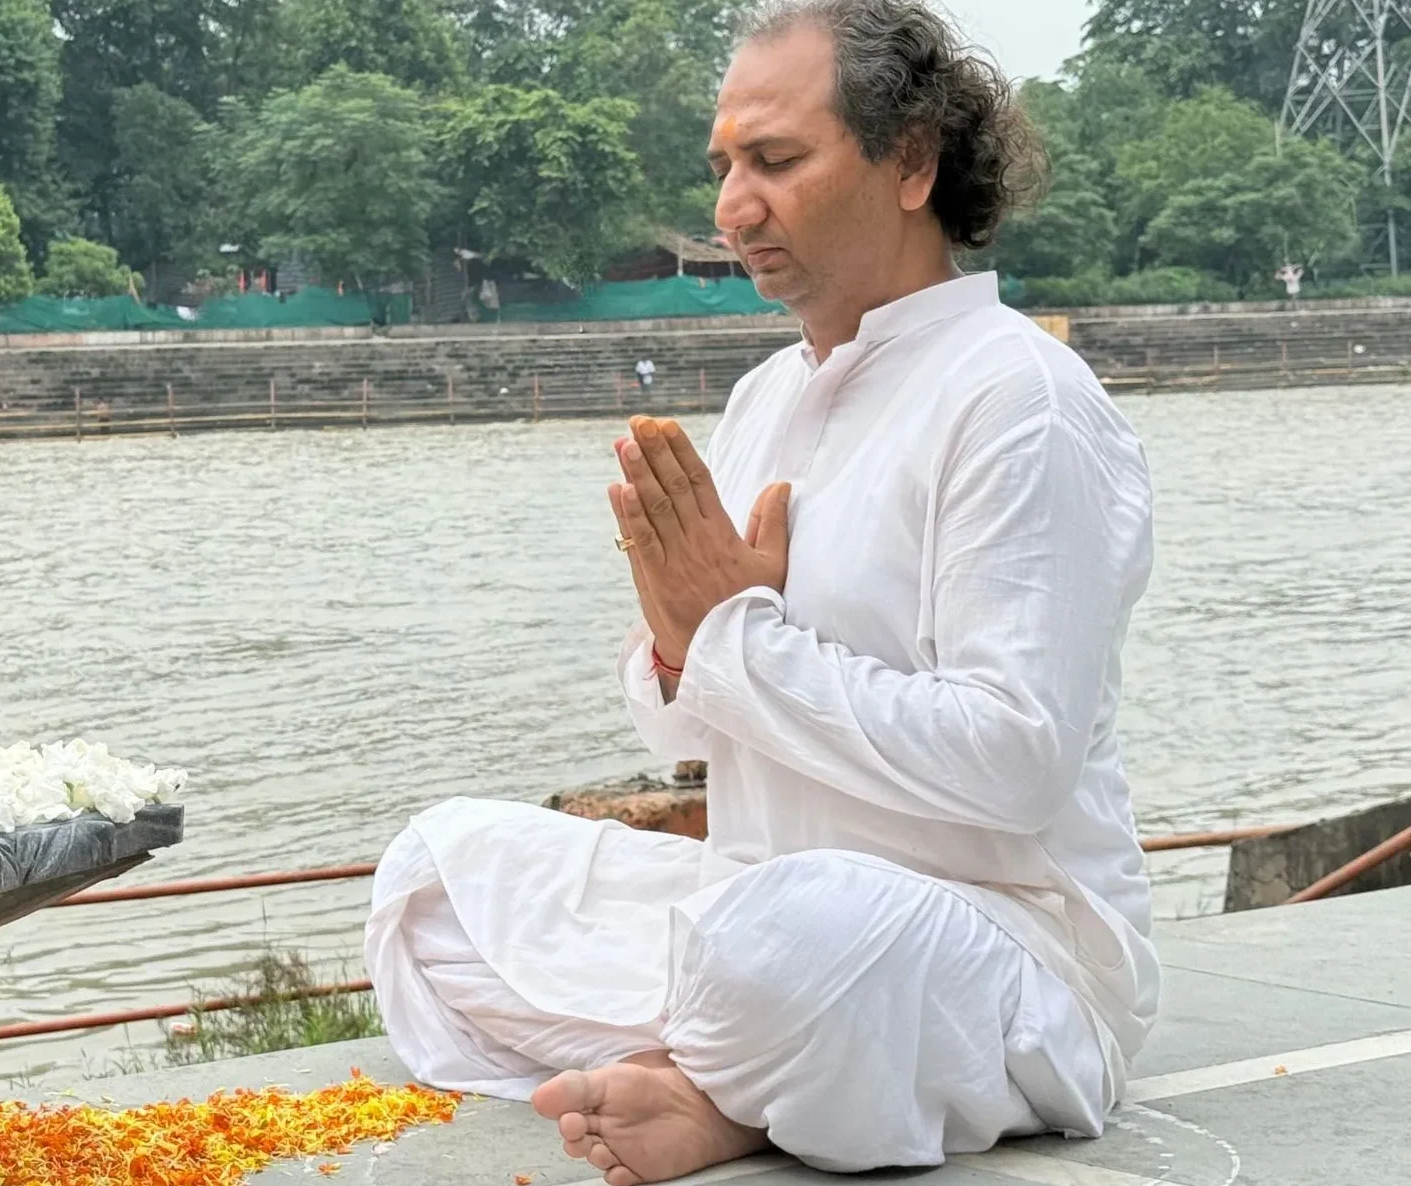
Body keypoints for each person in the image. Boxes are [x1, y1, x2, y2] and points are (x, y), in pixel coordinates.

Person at [364, 2, 1158, 1183]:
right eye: (726, 166)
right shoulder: (764, 402)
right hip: (749, 916)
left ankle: (726, 1078)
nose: (735, 206)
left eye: (777, 161)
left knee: (787, 939)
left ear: (914, 161)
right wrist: (685, 647)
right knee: (435, 877)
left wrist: (735, 635)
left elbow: (1017, 761)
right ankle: (745, 1075)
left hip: (985, 941)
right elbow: (689, 725)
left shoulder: (1018, 401)